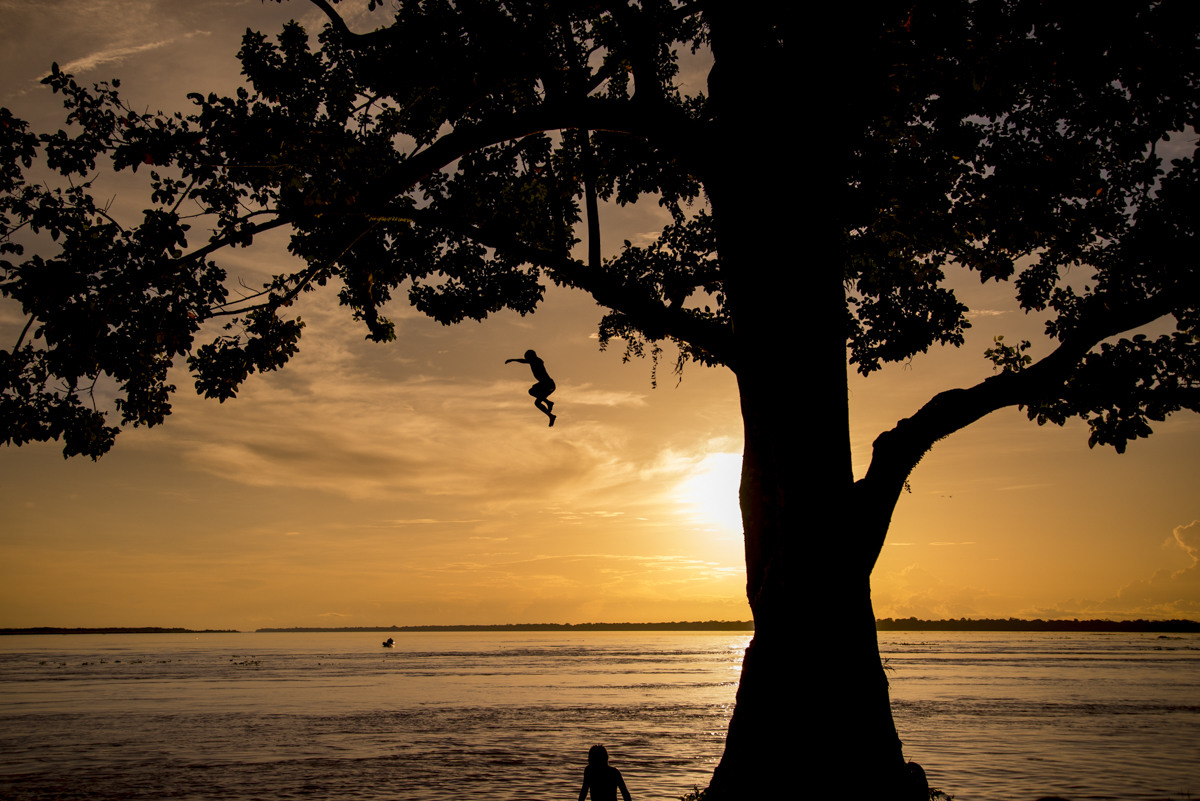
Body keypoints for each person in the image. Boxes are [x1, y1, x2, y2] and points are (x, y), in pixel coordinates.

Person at [504, 349, 556, 426]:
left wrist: (512, 360)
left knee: (534, 395)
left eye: (527, 358)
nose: (526, 360)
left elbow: (525, 361)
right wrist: (513, 360)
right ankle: (550, 411)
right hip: (546, 384)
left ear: (531, 357)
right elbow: (523, 361)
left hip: (548, 384)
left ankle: (549, 407)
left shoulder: (536, 361)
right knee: (534, 395)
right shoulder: (533, 361)